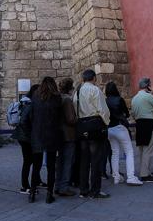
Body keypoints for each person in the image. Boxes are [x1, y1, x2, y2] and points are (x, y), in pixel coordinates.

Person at [73, 69, 110, 198]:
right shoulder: (95, 90)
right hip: (94, 125)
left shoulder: (77, 92)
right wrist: (106, 123)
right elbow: (102, 109)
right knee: (96, 159)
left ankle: (83, 189)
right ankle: (95, 190)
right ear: (94, 78)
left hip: (82, 126)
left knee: (84, 160)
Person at [27, 77, 62, 204]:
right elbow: (60, 117)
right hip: (52, 135)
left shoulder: (35, 98)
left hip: (37, 134)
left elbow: (31, 116)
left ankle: (32, 192)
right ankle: (49, 194)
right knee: (51, 166)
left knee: (36, 166)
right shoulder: (57, 98)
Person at [105, 82, 142, 186]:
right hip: (120, 127)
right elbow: (126, 113)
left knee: (115, 153)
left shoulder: (105, 101)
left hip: (109, 128)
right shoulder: (119, 99)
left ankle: (116, 176)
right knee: (129, 151)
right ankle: (131, 177)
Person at [130, 77, 153, 182]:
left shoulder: (134, 98)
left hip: (139, 124)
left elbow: (134, 114)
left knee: (142, 149)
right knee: (148, 150)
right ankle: (145, 174)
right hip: (149, 123)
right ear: (148, 86)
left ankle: (145, 170)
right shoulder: (148, 96)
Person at [10, 85, 39, 195]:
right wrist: (30, 135)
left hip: (23, 136)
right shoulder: (29, 104)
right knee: (28, 161)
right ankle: (25, 186)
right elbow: (24, 122)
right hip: (25, 137)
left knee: (30, 160)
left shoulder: (25, 102)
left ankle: (35, 182)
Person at [55, 78, 78, 197]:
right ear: (70, 88)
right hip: (68, 135)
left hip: (59, 134)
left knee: (60, 162)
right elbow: (71, 119)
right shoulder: (67, 100)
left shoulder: (58, 98)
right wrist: (78, 118)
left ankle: (57, 185)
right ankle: (64, 187)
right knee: (68, 162)